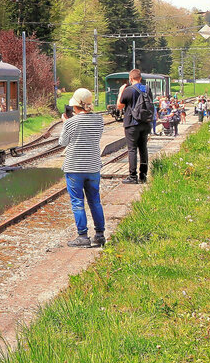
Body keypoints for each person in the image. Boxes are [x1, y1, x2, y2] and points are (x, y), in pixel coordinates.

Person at [58, 88, 106, 248]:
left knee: (78, 202)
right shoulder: (99, 119)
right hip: (93, 166)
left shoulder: (71, 122)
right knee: (95, 201)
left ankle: (83, 236)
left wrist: (65, 124)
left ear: (75, 106)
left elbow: (62, 142)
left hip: (75, 167)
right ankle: (100, 234)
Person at [117, 69, 154, 184]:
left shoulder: (129, 90)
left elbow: (119, 106)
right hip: (146, 123)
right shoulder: (147, 89)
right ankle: (143, 175)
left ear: (131, 79)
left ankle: (133, 176)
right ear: (140, 78)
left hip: (132, 124)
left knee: (132, 149)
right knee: (143, 148)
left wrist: (120, 92)